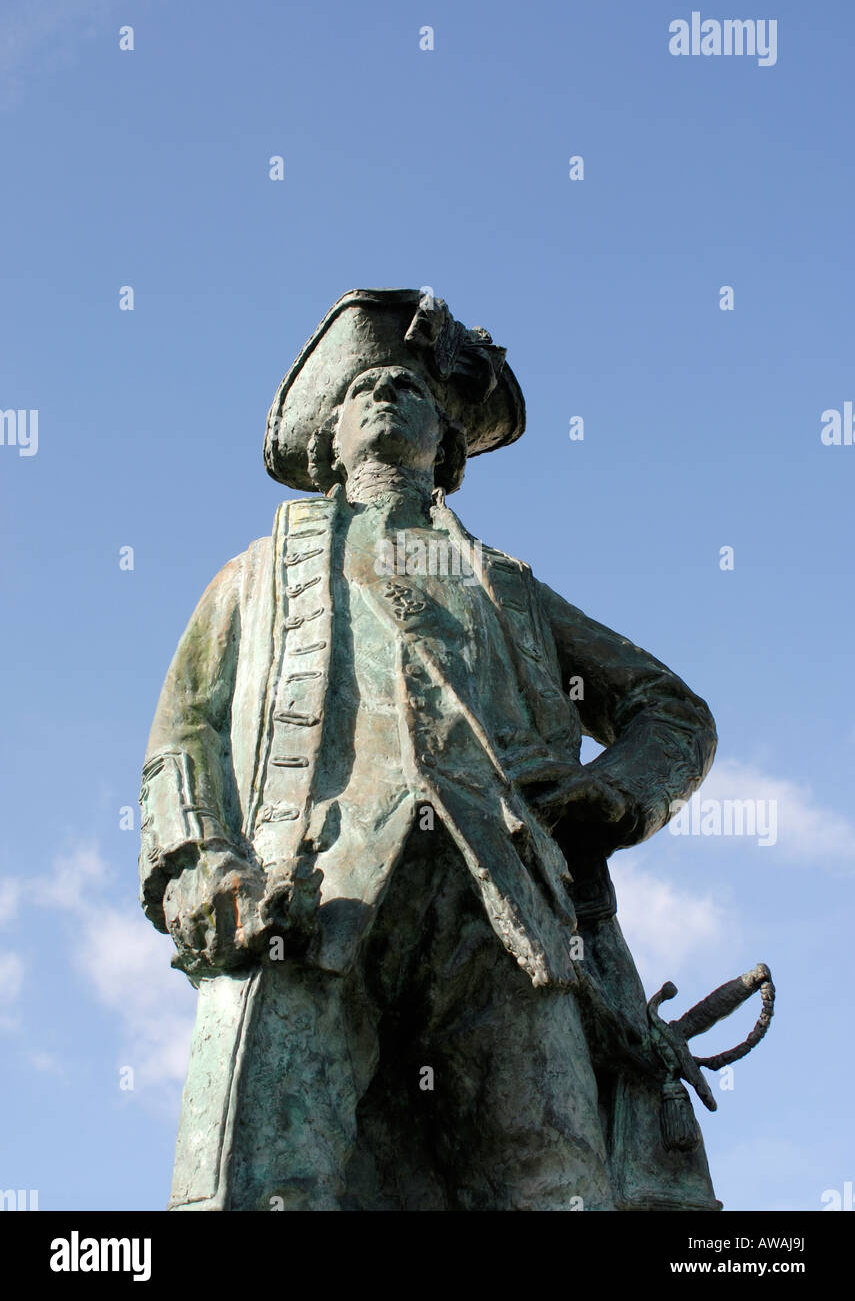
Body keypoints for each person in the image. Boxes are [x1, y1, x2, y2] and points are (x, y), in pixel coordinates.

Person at [139, 288, 720, 1210]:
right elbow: (185, 736)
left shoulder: (509, 588)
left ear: (446, 446)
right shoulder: (252, 578)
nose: (382, 394)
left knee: (552, 1174)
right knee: (268, 1173)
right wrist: (202, 861)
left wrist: (611, 793)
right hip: (311, 894)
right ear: (328, 440)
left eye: (408, 388)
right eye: (360, 388)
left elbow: (671, 710)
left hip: (505, 905)